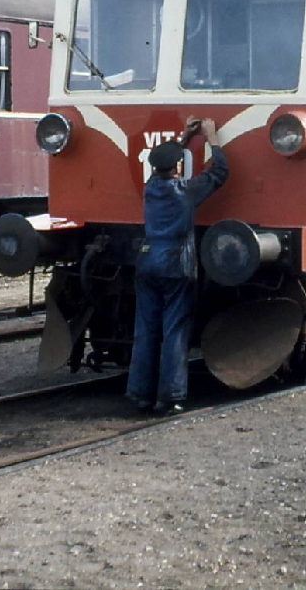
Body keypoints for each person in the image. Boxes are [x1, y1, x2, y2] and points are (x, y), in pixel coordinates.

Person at [126, 117, 228, 415]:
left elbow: (164, 163)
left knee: (145, 329)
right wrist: (211, 138)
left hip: (147, 261)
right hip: (176, 264)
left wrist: (183, 138)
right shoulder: (185, 191)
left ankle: (141, 394)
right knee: (175, 330)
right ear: (179, 168)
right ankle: (169, 396)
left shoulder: (150, 188)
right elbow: (221, 172)